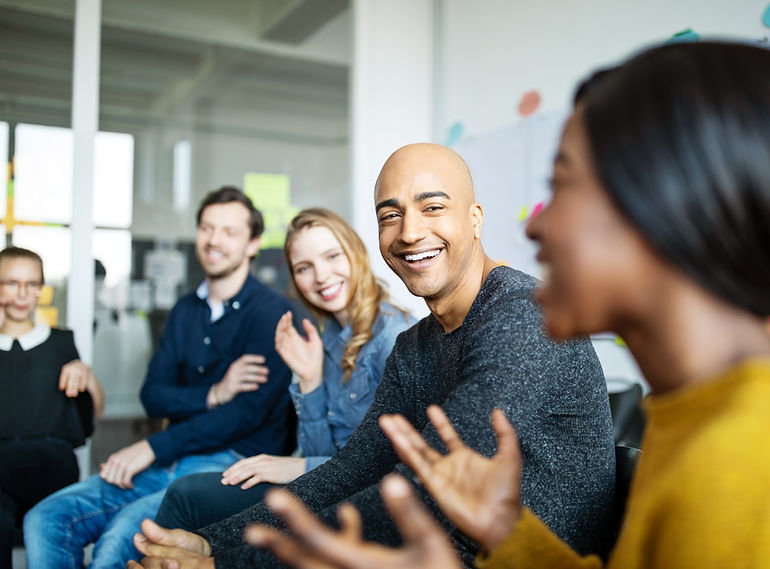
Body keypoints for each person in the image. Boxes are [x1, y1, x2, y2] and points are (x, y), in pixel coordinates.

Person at [243, 41, 770, 569]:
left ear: (665, 209)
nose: (534, 225)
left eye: (565, 187)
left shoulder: (737, 462)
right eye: (390, 215)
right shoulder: (695, 420)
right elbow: (360, 465)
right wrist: (511, 538)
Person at [127, 143, 617, 569]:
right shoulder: (416, 345)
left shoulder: (520, 315)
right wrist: (214, 541)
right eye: (390, 215)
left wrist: (227, 562)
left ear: (474, 219)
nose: (408, 232)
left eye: (432, 208)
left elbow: (425, 492)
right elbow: (353, 468)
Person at [24, 186, 296, 569]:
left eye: (229, 232)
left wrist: (153, 447)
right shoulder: (184, 310)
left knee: (121, 538)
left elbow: (245, 415)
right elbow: (153, 395)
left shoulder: (271, 314)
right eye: (207, 228)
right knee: (46, 519)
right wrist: (213, 394)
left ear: (252, 244)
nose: (214, 240)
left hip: (229, 464)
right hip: (173, 456)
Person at [154, 207, 416, 531]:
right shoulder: (328, 338)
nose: (320, 276)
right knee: (190, 496)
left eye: (332, 256)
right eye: (304, 267)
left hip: (369, 503)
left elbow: (390, 464)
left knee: (186, 497)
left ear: (356, 254)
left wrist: (296, 466)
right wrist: (310, 380)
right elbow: (322, 453)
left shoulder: (395, 338)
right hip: (329, 489)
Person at [0, 246, 104, 569]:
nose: (22, 294)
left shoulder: (61, 342)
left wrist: (86, 375)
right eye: (11, 283)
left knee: (50, 525)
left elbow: (95, 413)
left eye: (32, 284)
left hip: (50, 462)